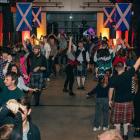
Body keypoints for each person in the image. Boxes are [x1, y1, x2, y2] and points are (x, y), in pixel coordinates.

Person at [108, 57, 140, 140]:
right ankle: (125, 136)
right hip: (128, 103)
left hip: (118, 103)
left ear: (115, 68)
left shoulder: (113, 78)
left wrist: (109, 100)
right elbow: (137, 64)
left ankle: (118, 137)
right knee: (126, 122)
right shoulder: (129, 73)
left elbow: (111, 90)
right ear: (124, 65)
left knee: (117, 123)